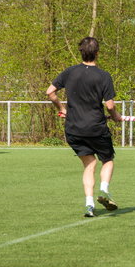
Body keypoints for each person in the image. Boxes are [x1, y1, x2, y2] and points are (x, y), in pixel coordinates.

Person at [46, 37, 123, 217]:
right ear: (97, 53)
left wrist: (62, 108)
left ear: (81, 51)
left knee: (89, 164)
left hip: (73, 128)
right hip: (95, 127)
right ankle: (104, 190)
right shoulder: (104, 76)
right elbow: (110, 106)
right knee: (108, 159)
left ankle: (89, 205)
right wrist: (116, 116)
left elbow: (50, 92)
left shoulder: (70, 72)